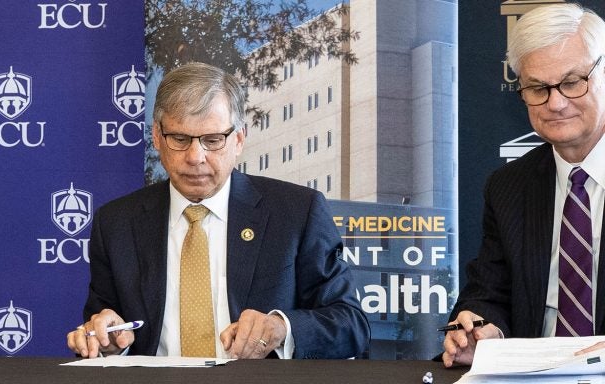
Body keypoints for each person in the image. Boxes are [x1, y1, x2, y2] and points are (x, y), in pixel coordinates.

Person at [66, 62, 370, 359]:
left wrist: (281, 329)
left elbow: (350, 325)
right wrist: (107, 340)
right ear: (157, 137)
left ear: (238, 139)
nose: (196, 157)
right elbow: (105, 327)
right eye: (180, 139)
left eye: (213, 140)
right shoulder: (117, 224)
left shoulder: (296, 213)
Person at [443, 3, 605, 367]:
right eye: (537, 88)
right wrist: (482, 330)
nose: (556, 103)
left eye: (572, 81)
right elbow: (489, 293)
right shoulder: (509, 187)